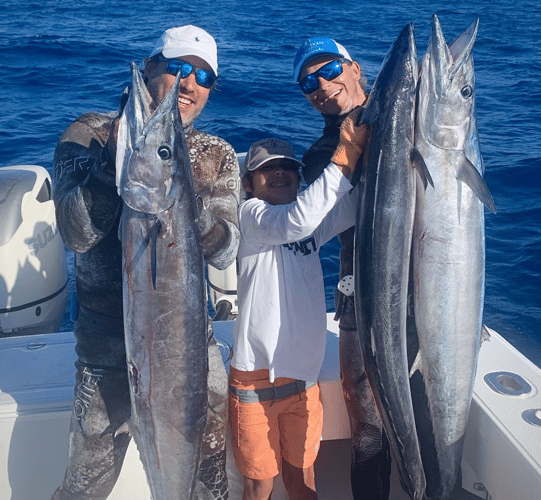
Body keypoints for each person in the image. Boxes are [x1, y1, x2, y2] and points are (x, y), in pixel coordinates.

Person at [51, 25, 239, 500]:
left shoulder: (216, 155)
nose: (189, 84)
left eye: (203, 76)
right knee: (86, 486)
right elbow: (76, 234)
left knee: (207, 484)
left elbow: (226, 247)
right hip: (106, 350)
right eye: (178, 68)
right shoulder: (88, 135)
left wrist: (187, 211)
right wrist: (109, 166)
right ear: (152, 66)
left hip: (189, 347)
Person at [229, 115, 365, 500]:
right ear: (247, 183)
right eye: (266, 169)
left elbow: (351, 207)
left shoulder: (306, 228)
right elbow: (298, 220)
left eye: (287, 167)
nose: (279, 173)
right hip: (255, 379)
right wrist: (346, 153)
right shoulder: (251, 216)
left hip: (303, 380)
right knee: (259, 484)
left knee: (302, 478)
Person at [293, 37, 392, 499]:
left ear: (355, 67)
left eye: (329, 70)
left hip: (419, 293)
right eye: (308, 83)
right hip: (358, 300)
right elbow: (311, 225)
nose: (321, 86)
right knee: (369, 430)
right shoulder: (320, 155)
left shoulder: (401, 119)